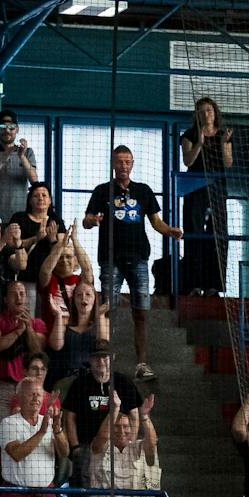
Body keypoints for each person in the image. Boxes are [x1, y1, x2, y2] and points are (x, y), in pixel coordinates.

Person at [81, 143, 181, 372]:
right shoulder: (101, 191)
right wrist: (92, 221)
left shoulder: (144, 191)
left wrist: (170, 230)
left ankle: (142, 363)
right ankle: (104, 362)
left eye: (127, 162)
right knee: (107, 310)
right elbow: (86, 220)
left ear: (133, 164)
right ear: (112, 164)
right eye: (119, 161)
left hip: (139, 259)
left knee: (141, 312)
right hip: (110, 259)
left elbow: (157, 222)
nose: (123, 166)